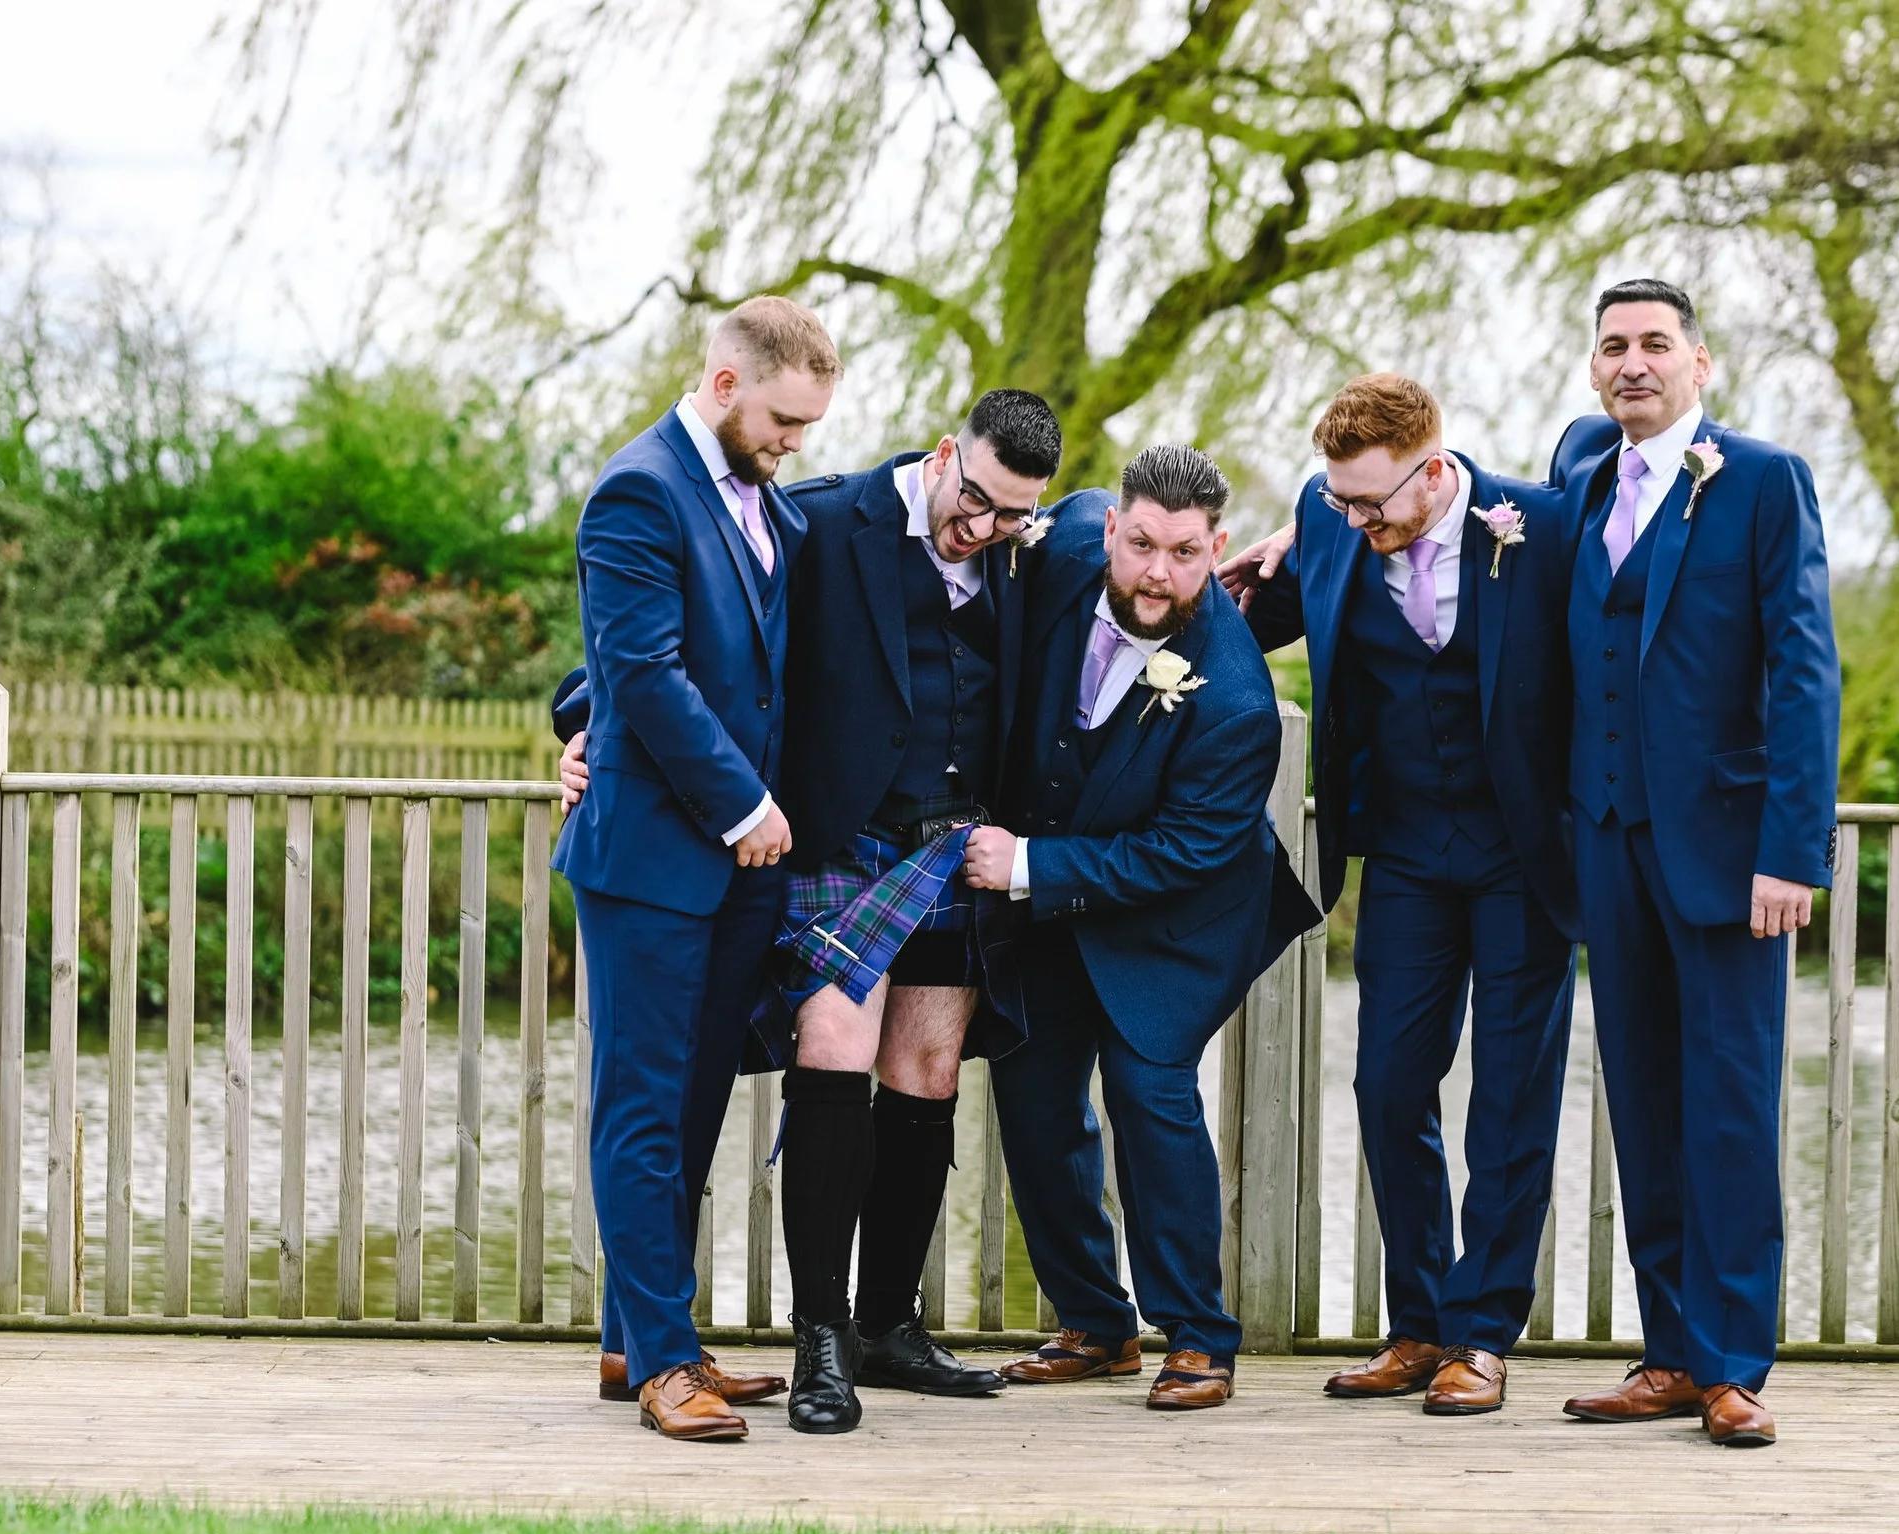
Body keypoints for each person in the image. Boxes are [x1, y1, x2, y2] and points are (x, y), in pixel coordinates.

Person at [561, 392, 1066, 1434]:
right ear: (946, 455)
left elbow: (1148, 548)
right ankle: (821, 1342)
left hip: (958, 845)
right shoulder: (826, 518)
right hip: (843, 838)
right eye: (974, 500)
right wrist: (583, 724)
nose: (983, 527)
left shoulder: (1034, 554)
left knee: (927, 1068)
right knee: (833, 1041)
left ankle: (889, 1327)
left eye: (1011, 515)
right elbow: (699, 632)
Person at [1213, 375, 1578, 1415]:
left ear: (1435, 469)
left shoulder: (1542, 527)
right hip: (1407, 854)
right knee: (1386, 1085)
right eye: (1338, 499)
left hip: (1522, 858)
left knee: (1509, 1098)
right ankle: (1417, 1323)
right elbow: (1256, 617)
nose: (1355, 518)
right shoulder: (1329, 520)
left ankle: (1481, 1333)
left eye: (1372, 501)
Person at [964, 443, 1322, 1412]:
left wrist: (1029, 865)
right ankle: (1094, 1323)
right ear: (1112, 527)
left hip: (1177, 918)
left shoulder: (1235, 700)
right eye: (1142, 545)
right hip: (1052, 893)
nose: (1159, 573)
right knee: (1031, 1089)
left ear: (1217, 547)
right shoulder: (1066, 538)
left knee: (1148, 1090)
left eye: (1186, 553)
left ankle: (1199, 1336)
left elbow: (1181, 855)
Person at [1548, 278, 1841, 1447]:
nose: (1633, 362)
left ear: (1699, 364)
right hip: (1607, 843)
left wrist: (1791, 851)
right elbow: (1450, 493)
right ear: (1593, 369)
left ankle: (1731, 1366)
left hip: (1728, 857)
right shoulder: (1580, 475)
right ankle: (1668, 1352)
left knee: (1726, 1108)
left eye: (1655, 344)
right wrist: (1311, 525)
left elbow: (1804, 668)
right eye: (1613, 345)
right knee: (1643, 1103)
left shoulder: (1763, 479)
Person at [552, 296, 842, 1441]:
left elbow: (736, 664)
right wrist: (743, 804)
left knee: (693, 1104)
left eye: (809, 425)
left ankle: (638, 1338)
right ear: (725, 385)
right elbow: (641, 667)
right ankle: (666, 1365)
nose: (794, 442)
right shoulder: (639, 488)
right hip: (653, 859)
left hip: (740, 873)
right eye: (782, 420)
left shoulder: (765, 499)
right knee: (642, 1108)